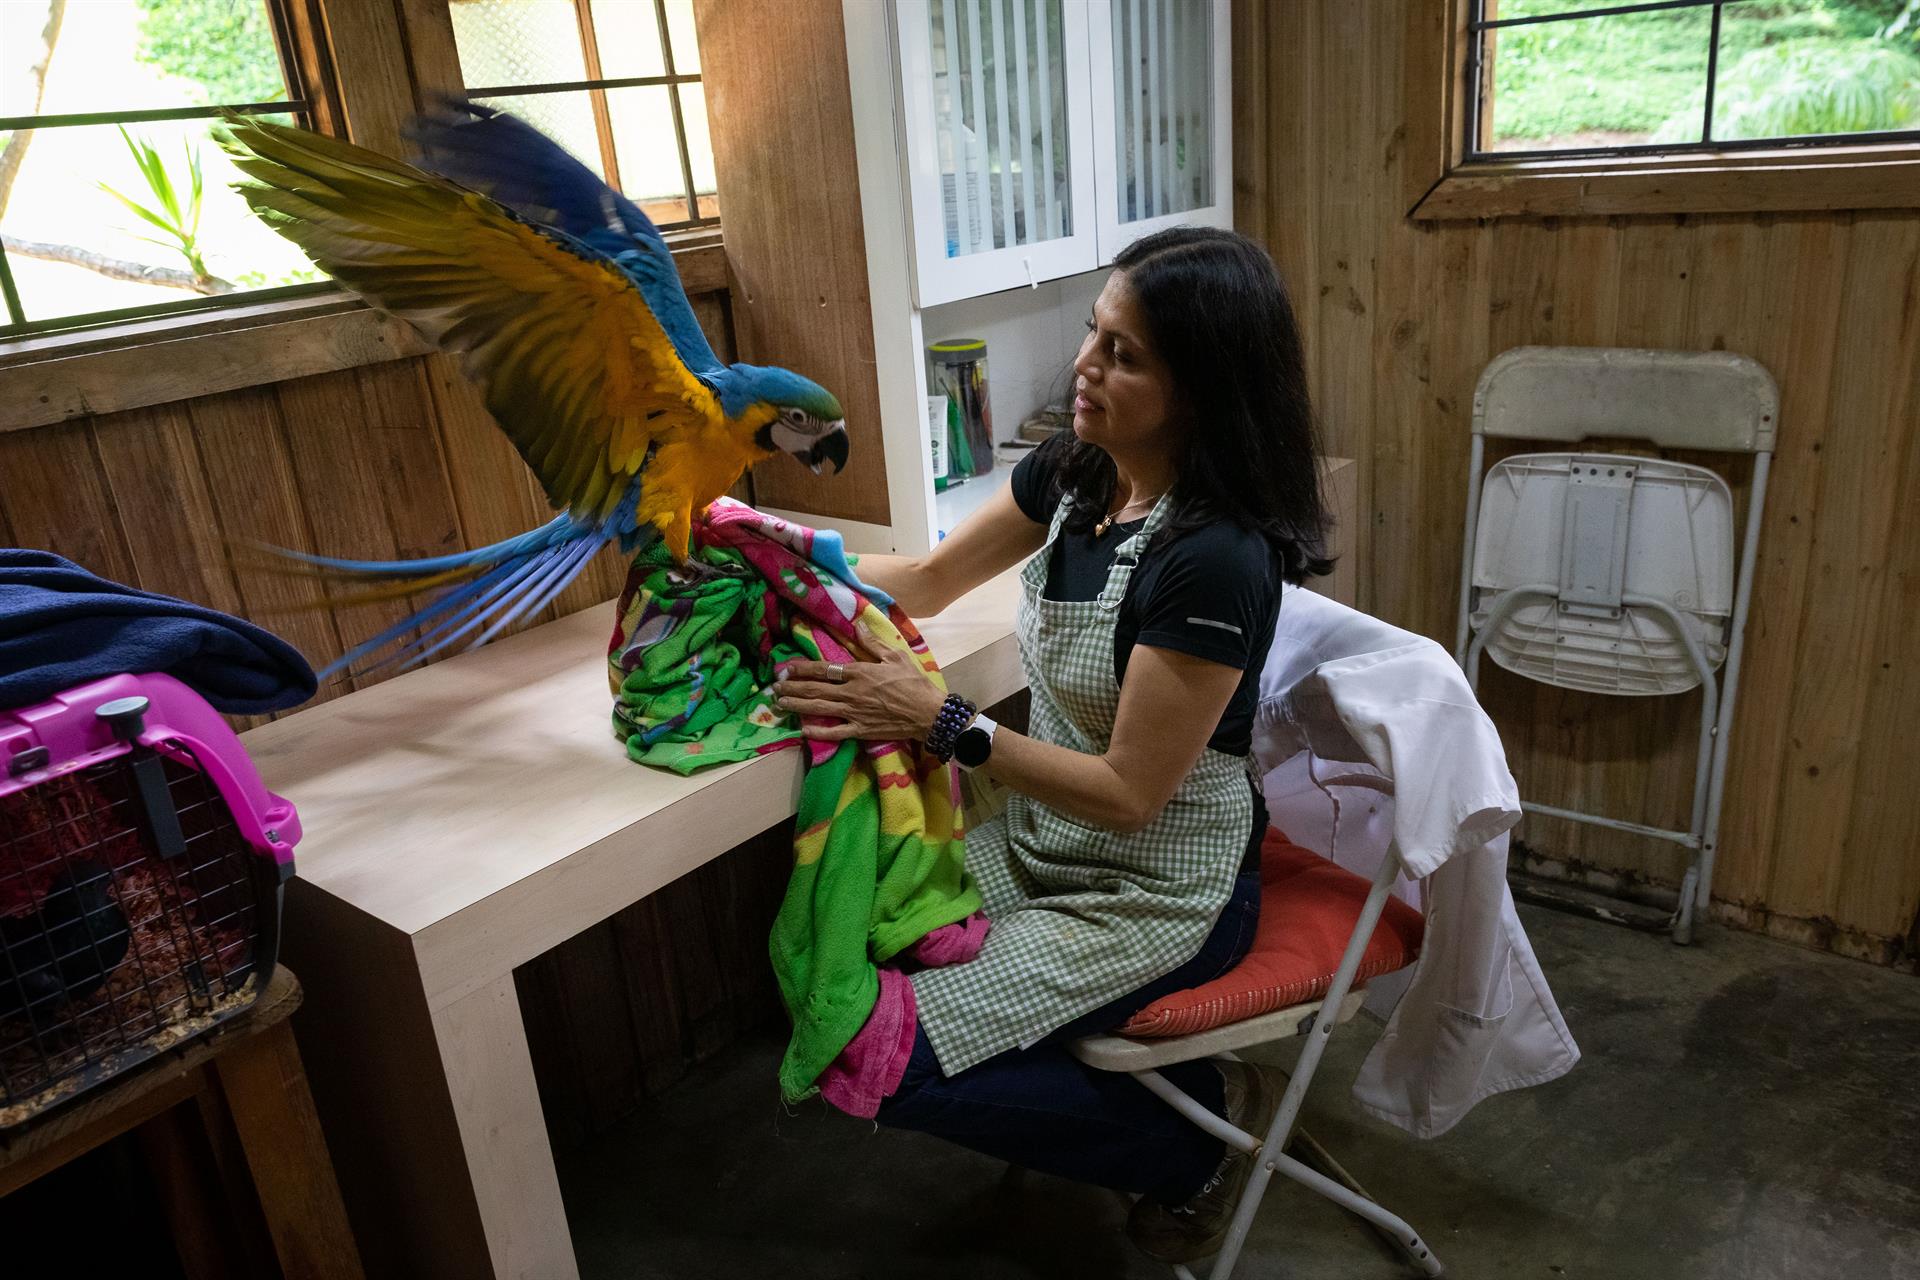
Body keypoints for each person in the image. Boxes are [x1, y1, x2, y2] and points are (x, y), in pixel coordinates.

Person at [772, 225, 1332, 1264]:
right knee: (842, 956)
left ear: (1201, 387)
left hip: (1160, 885)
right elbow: (933, 582)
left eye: (1124, 354)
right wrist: (774, 554)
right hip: (1045, 840)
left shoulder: (1212, 558)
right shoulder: (1081, 470)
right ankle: (1144, 1112)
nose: (1085, 365)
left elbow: (1128, 794)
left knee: (875, 1052)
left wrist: (941, 720)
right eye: (1093, 333)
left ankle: (1189, 1142)